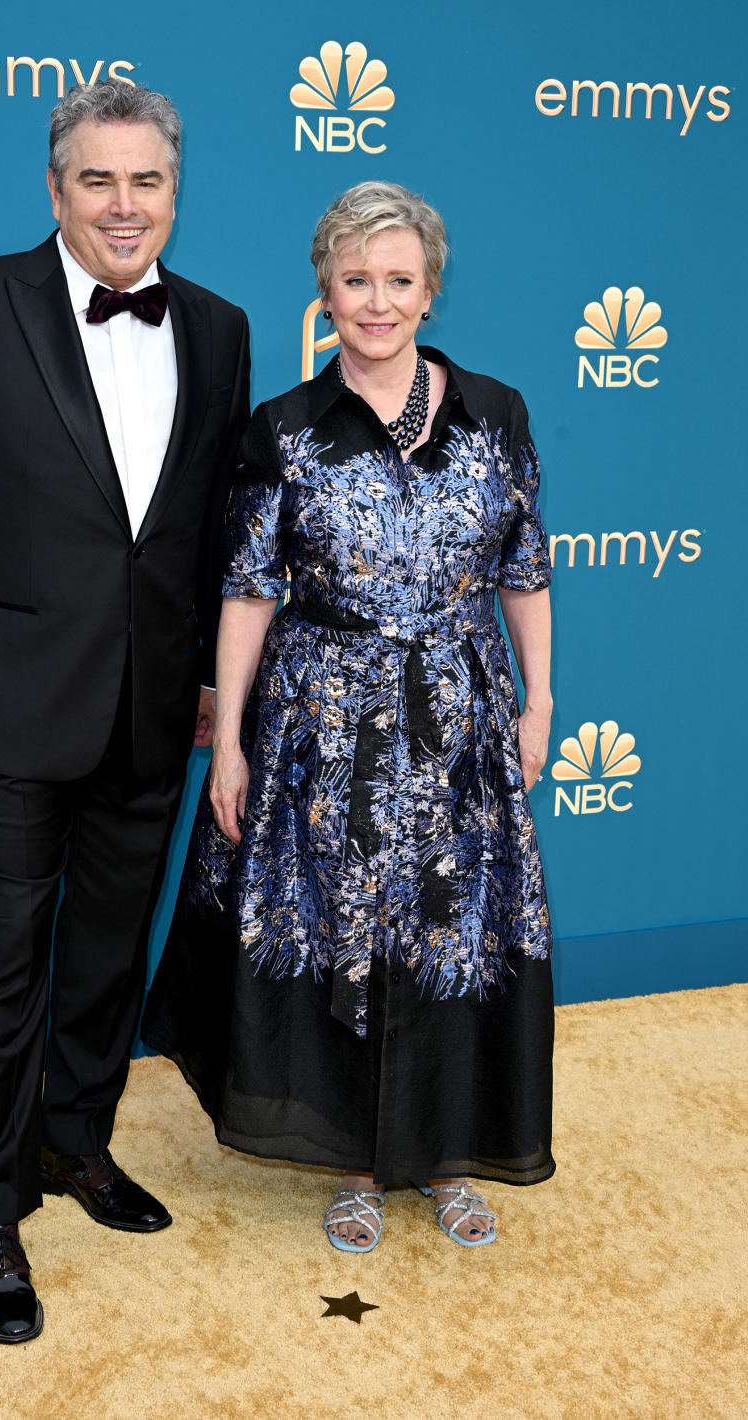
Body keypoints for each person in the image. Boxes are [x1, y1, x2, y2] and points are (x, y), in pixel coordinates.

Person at [0, 79, 250, 1340]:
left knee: (104, 956)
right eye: (99, 179)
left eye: (146, 183)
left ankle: (77, 1145)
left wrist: (207, 680)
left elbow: (208, 529)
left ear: (174, 195)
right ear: (55, 186)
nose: (124, 205)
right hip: (4, 704)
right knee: (4, 966)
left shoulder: (224, 326)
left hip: (149, 705)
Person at [143, 180, 553, 1254]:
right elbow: (246, 591)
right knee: (341, 931)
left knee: (455, 928)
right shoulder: (282, 430)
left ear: (431, 290)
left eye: (400, 280)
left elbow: (524, 567)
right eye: (357, 279)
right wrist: (227, 740)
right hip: (322, 724)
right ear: (325, 287)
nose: (379, 301)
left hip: (461, 718)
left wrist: (540, 696)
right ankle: (359, 1163)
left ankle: (450, 1153)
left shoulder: (496, 412)